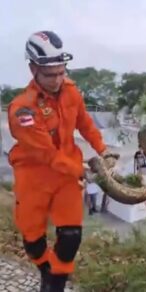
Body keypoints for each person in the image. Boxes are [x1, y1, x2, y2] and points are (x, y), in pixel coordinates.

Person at [7, 31, 119, 292]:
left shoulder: (71, 91)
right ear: (33, 68)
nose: (58, 80)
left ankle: (53, 285)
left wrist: (103, 150)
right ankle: (48, 274)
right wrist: (81, 170)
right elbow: (45, 154)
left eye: (61, 72)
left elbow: (85, 124)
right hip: (34, 177)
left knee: (70, 238)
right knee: (33, 241)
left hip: (67, 175)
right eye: (50, 75)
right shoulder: (22, 109)